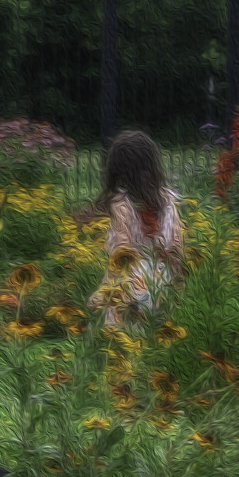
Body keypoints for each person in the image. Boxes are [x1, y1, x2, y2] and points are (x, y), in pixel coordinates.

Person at [87, 130, 185, 330]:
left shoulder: (121, 204)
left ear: (118, 171)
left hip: (132, 285)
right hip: (162, 285)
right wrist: (179, 290)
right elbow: (177, 249)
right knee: (158, 338)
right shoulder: (169, 201)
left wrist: (104, 290)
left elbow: (121, 254)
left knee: (122, 342)